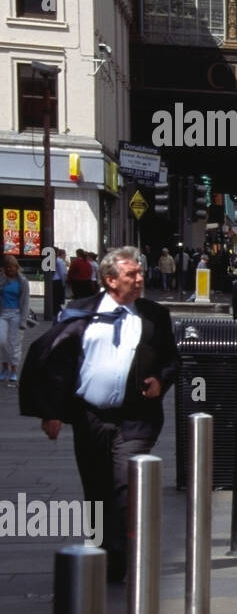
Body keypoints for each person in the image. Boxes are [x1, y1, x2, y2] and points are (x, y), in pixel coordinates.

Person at [18, 247, 178, 583]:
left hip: (137, 418)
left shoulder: (154, 316)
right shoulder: (79, 313)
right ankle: (106, 551)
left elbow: (172, 360)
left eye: (139, 272)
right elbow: (57, 364)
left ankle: (120, 554)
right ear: (109, 280)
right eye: (131, 274)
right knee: (96, 487)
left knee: (125, 484)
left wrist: (160, 380)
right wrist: (51, 412)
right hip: (90, 417)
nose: (139, 279)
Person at [1, 255, 31, 385]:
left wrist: (23, 321)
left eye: (11, 267)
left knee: (14, 343)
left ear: (16, 267)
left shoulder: (22, 282)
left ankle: (13, 369)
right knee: (1, 341)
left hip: (16, 314)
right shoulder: (2, 280)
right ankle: (4, 365)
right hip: (3, 314)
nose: (9, 270)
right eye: (6, 267)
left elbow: (25, 302)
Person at [52, 247, 67, 316]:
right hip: (59, 280)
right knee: (59, 297)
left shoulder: (54, 260)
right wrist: (64, 283)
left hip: (54, 280)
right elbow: (62, 273)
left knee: (55, 297)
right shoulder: (60, 261)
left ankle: (55, 309)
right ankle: (57, 310)